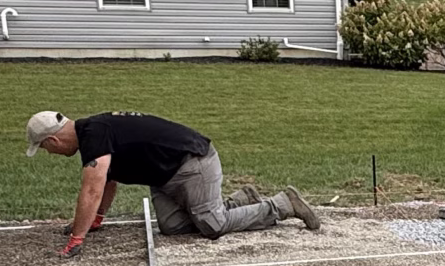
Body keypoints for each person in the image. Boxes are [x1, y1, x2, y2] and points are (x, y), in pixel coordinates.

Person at [25, 110, 321, 256]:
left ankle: (282, 204)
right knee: (171, 226)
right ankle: (242, 199)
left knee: (212, 225)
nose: (50, 153)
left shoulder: (94, 136)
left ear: (53, 140)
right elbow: (107, 183)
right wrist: (95, 221)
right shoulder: (93, 133)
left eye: (45, 148)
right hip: (164, 175)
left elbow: (92, 189)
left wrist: (76, 239)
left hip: (193, 163)